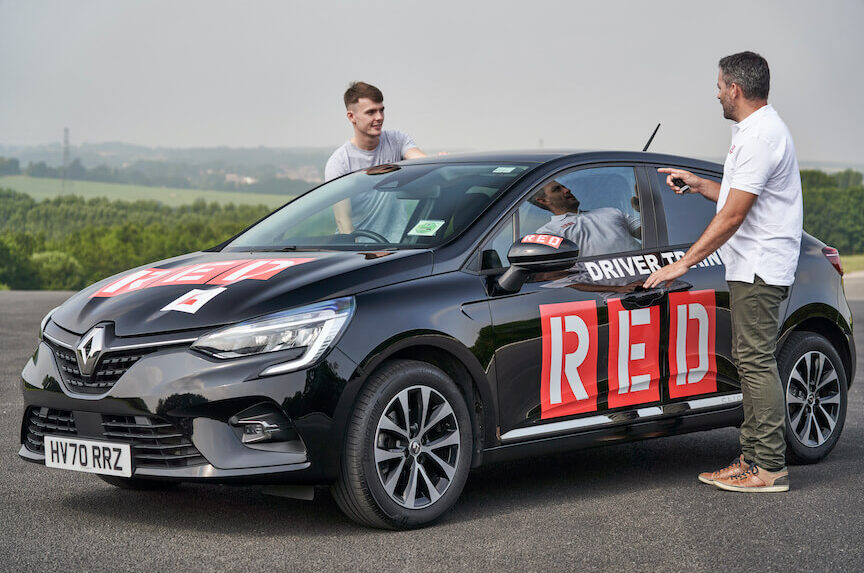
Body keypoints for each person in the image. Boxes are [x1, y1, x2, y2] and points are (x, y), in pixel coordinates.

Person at [644, 51, 803, 493]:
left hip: (759, 267)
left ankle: (767, 467)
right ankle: (752, 459)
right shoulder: (754, 133)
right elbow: (740, 197)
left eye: (719, 86)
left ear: (735, 88)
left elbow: (733, 217)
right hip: (750, 266)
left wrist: (683, 263)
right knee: (752, 363)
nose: (716, 93)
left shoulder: (760, 137)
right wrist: (699, 184)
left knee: (756, 363)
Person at [325, 82, 426, 239]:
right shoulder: (340, 162)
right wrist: (358, 254)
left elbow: (423, 163)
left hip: (399, 247)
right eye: (371, 112)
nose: (379, 117)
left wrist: (443, 161)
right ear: (351, 117)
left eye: (381, 110)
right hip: (359, 248)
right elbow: (343, 221)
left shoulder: (397, 140)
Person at [530, 179, 641, 258]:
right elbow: (557, 276)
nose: (567, 189)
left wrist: (641, 210)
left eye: (563, 186)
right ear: (543, 201)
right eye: (557, 189)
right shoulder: (548, 233)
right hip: (610, 289)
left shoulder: (611, 212)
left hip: (648, 279)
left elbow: (649, 234)